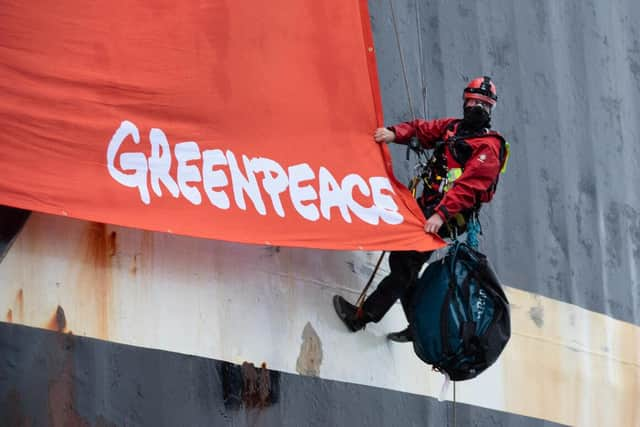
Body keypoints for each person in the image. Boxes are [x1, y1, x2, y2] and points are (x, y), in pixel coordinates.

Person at [333, 76, 507, 342]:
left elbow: (469, 187)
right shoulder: (453, 128)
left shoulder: (488, 148)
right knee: (403, 264)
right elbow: (423, 130)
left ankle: (363, 317)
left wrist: (440, 215)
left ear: (491, 110)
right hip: (428, 207)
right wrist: (394, 133)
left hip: (446, 217)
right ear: (465, 101)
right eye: (473, 101)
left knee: (404, 265)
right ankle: (418, 325)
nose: (477, 108)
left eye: (483, 104)